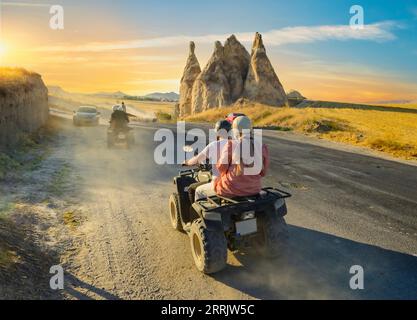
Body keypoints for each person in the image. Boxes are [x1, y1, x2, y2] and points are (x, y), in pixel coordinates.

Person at [215, 116, 270, 198]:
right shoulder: (262, 146)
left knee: (199, 190)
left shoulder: (231, 144)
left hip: (230, 189)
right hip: (254, 189)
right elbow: (263, 172)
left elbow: (221, 168)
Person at [183, 120, 231, 202]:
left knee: (194, 189)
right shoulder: (237, 144)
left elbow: (197, 159)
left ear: (217, 132)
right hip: (236, 182)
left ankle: (196, 214)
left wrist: (187, 162)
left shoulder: (214, 145)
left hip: (221, 183)